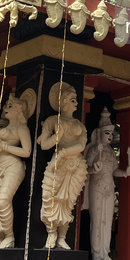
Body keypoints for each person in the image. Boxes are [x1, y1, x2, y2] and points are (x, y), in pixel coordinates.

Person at [0, 89, 36, 249]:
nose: (5, 108)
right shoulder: (8, 126)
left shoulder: (21, 128)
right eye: (6, 105)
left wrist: (2, 146)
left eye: (10, 105)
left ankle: (9, 237)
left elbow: (27, 151)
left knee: (3, 200)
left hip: (13, 166)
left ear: (19, 109)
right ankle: (1, 232)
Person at [38, 82, 88, 249]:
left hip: (75, 165)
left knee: (68, 201)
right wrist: (56, 139)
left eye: (76, 99)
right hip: (57, 166)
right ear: (64, 101)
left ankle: (62, 236)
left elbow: (81, 146)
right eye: (72, 100)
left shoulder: (80, 125)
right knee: (49, 196)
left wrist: (63, 153)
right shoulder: (53, 121)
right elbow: (44, 145)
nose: (76, 103)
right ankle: (51, 233)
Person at [83, 107, 130, 260]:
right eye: (107, 133)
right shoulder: (92, 150)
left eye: (112, 134)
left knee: (107, 221)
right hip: (96, 186)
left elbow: (113, 171)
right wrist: (93, 169)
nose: (110, 136)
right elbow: (86, 169)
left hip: (109, 188)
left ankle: (105, 253)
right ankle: (97, 254)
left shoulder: (112, 152)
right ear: (99, 133)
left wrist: (125, 172)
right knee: (97, 220)